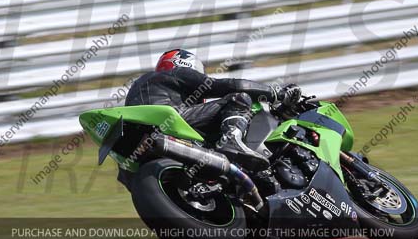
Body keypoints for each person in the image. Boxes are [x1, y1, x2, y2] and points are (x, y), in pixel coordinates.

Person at [124, 49, 301, 170]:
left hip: (146, 145)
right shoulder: (175, 73)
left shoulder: (145, 86)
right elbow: (230, 85)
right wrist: (275, 93)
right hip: (168, 120)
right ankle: (231, 138)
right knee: (239, 98)